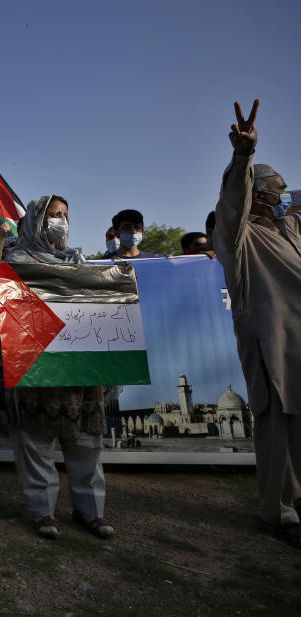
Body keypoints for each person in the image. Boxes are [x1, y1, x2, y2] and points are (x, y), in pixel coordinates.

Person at [0, 195, 115, 540]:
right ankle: (42, 511)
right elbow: (0, 285)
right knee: (35, 441)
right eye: (52, 216)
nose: (60, 222)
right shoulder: (17, 260)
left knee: (86, 442)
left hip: (78, 368)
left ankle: (90, 510)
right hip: (38, 367)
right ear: (34, 221)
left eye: (64, 216)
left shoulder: (79, 263)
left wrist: (115, 284)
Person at [214, 99, 301, 549]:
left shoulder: (292, 232)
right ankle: (280, 513)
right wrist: (244, 157)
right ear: (260, 192)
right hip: (272, 344)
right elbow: (233, 200)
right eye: (279, 190)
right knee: (278, 428)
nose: (285, 196)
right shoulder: (238, 236)